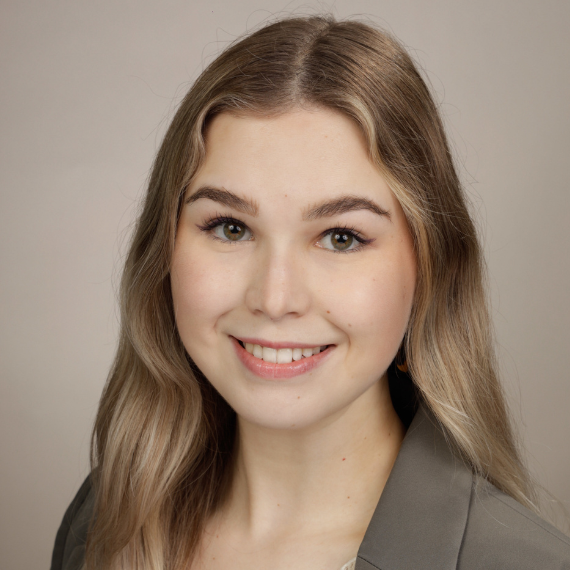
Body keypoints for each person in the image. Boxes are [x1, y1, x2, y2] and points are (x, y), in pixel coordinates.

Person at [51, 14, 570, 570]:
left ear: (430, 269)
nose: (275, 299)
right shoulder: (104, 519)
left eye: (340, 237)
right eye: (231, 227)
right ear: (164, 251)